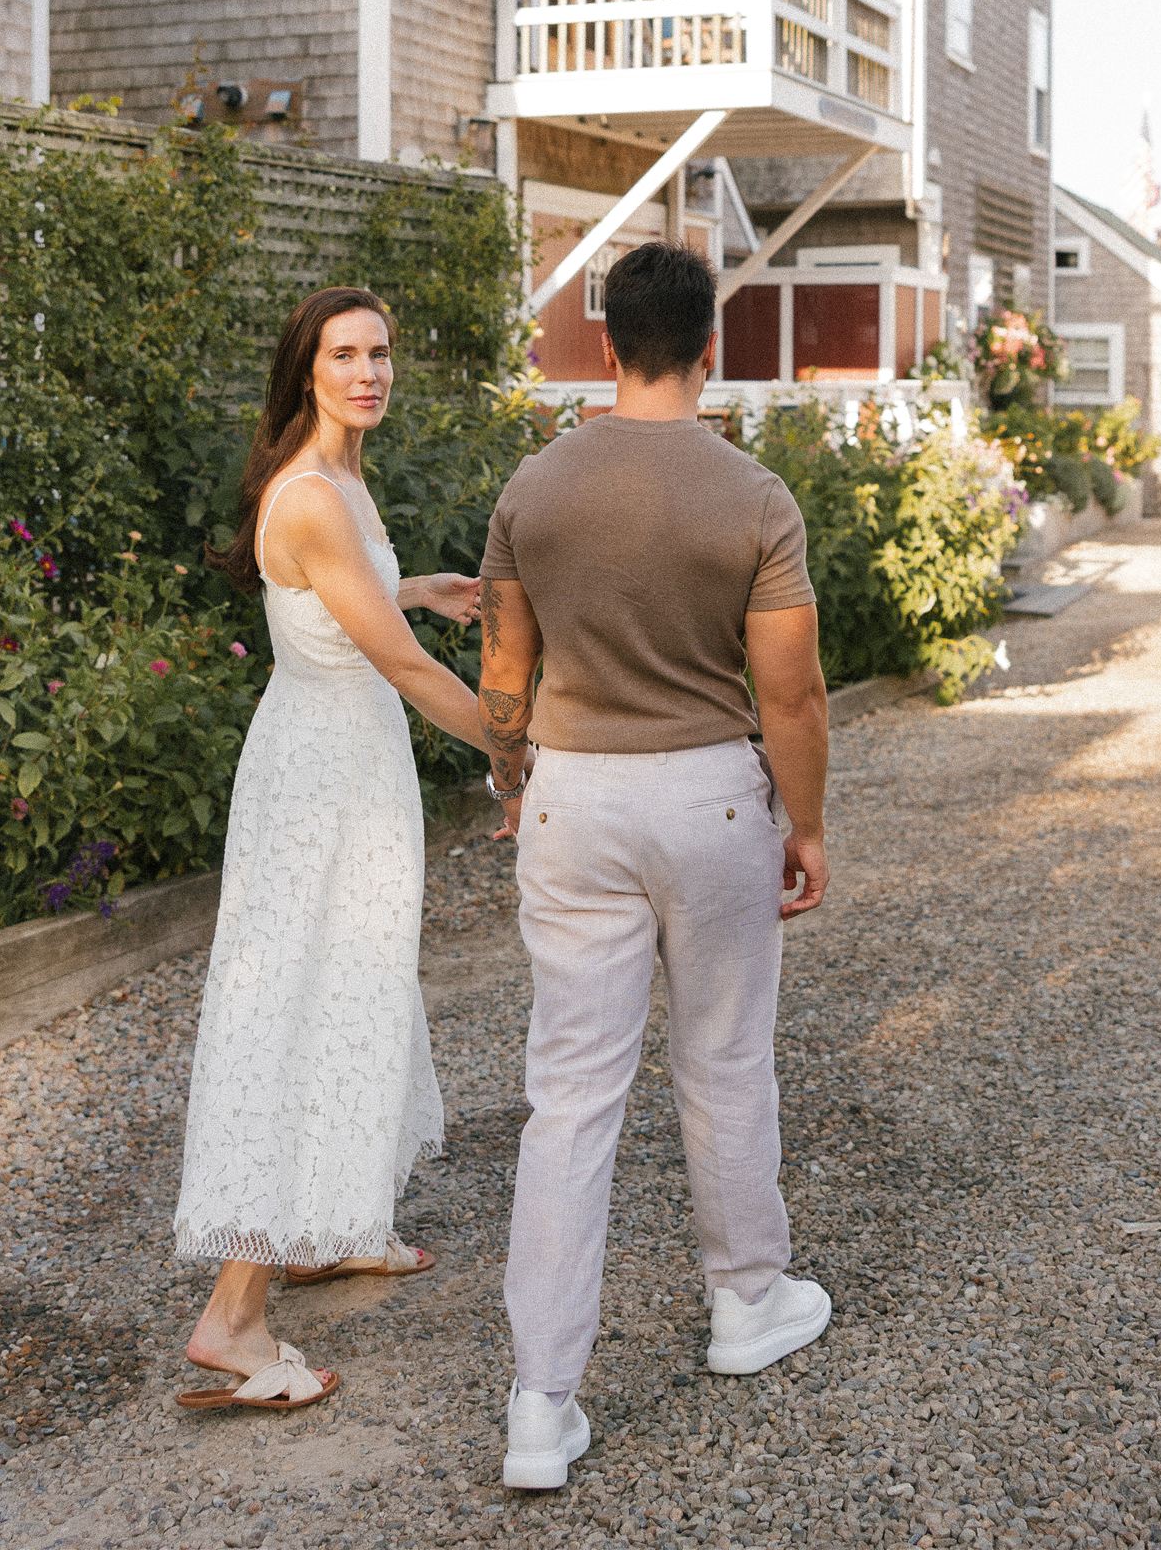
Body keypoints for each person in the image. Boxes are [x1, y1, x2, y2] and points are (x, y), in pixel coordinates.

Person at [478, 241, 832, 1489]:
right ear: (709, 347)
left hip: (574, 796)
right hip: (711, 801)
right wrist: (807, 823)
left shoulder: (535, 486)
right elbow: (788, 693)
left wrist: (514, 786)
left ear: (606, 346)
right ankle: (746, 1299)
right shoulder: (754, 496)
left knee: (571, 1094)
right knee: (724, 1055)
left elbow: (506, 675)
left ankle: (539, 1403)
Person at [173, 286, 495, 1413]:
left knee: (358, 987)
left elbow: (339, 609)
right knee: (305, 1010)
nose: (369, 372)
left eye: (382, 353)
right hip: (322, 784)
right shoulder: (311, 493)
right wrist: (520, 745)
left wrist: (410, 588)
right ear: (305, 368)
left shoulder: (340, 478)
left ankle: (324, 1229)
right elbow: (402, 668)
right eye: (345, 354)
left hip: (347, 759)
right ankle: (234, 1316)